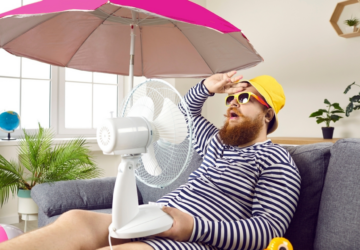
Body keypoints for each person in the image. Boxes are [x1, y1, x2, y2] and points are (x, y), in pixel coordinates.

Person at [0, 71, 301, 250]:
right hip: (152, 216)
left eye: (245, 98)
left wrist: (191, 227)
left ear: (268, 113)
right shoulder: (215, 142)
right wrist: (209, 87)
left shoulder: (277, 160)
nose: (233, 102)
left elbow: (268, 229)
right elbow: (188, 111)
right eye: (230, 98)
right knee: (76, 219)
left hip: (195, 239)